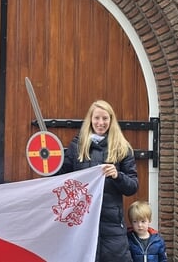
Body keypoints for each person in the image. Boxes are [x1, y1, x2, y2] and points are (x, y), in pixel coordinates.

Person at [59, 99, 139, 262]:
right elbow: (62, 177)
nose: (100, 123)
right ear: (90, 119)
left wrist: (118, 176)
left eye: (105, 118)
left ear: (111, 120)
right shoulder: (77, 146)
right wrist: (46, 163)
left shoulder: (122, 147)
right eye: (96, 118)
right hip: (82, 223)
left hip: (112, 225)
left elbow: (132, 186)